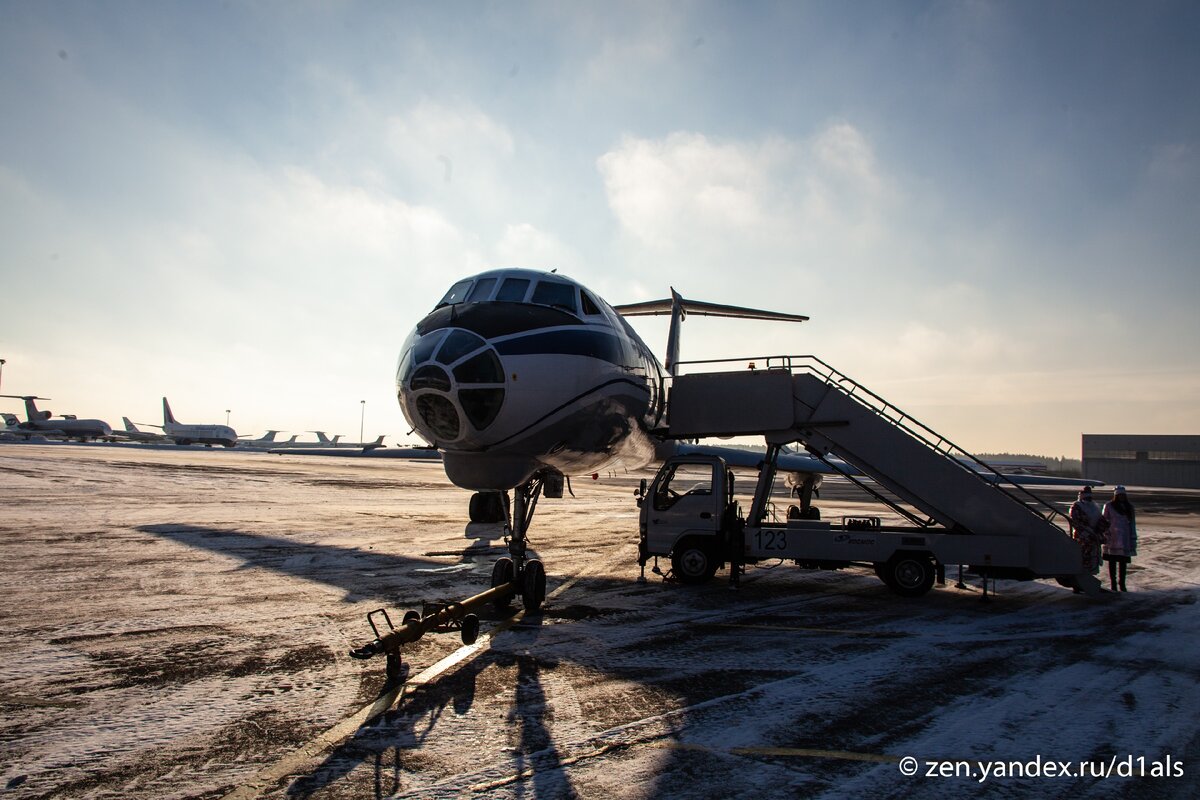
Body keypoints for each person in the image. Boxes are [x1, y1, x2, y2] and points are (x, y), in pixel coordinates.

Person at [1102, 485, 1137, 592]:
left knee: (1123, 563)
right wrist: (1106, 533)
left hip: (1125, 538)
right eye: (1119, 495)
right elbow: (1104, 521)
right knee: (1112, 562)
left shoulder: (1129, 507)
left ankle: (1122, 583)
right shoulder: (1109, 506)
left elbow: (1132, 523)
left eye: (1123, 495)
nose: (1121, 497)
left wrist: (1133, 536)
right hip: (1112, 538)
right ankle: (1113, 583)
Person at [1069, 485, 1106, 582]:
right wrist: (1087, 533)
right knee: (1082, 558)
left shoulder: (1095, 506)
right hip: (1082, 538)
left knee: (1092, 558)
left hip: (1093, 537)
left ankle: (1088, 578)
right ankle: (1079, 580)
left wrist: (1099, 529)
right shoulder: (1077, 506)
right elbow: (1076, 522)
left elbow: (1101, 520)